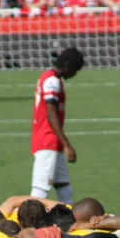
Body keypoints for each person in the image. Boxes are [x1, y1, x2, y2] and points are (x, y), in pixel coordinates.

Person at [30, 47, 84, 204]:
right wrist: (67, 145)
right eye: (75, 69)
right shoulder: (52, 81)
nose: (74, 74)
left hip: (54, 142)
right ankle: (28, 225)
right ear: (66, 65)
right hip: (48, 141)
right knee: (39, 191)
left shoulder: (49, 77)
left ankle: (71, 223)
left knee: (64, 187)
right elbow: (51, 114)